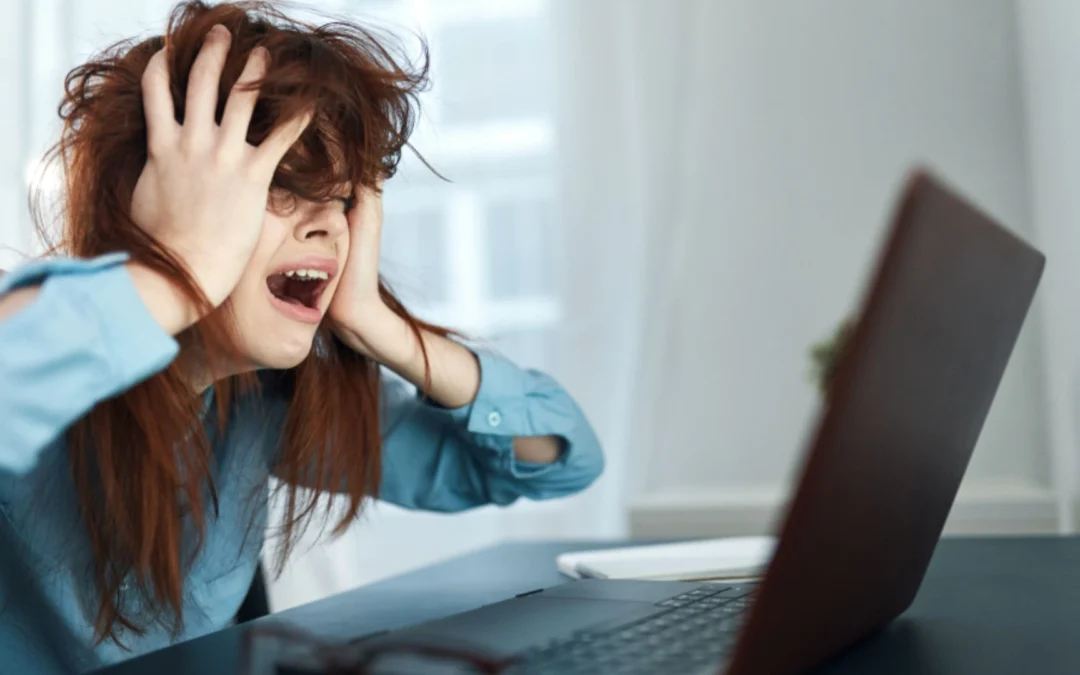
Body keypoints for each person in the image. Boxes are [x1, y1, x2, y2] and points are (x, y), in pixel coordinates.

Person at [0, 1, 604, 671]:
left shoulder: (265, 404)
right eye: (280, 186)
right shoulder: (44, 344)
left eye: (341, 196)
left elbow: (561, 456)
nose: (329, 223)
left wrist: (381, 326)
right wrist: (174, 272)